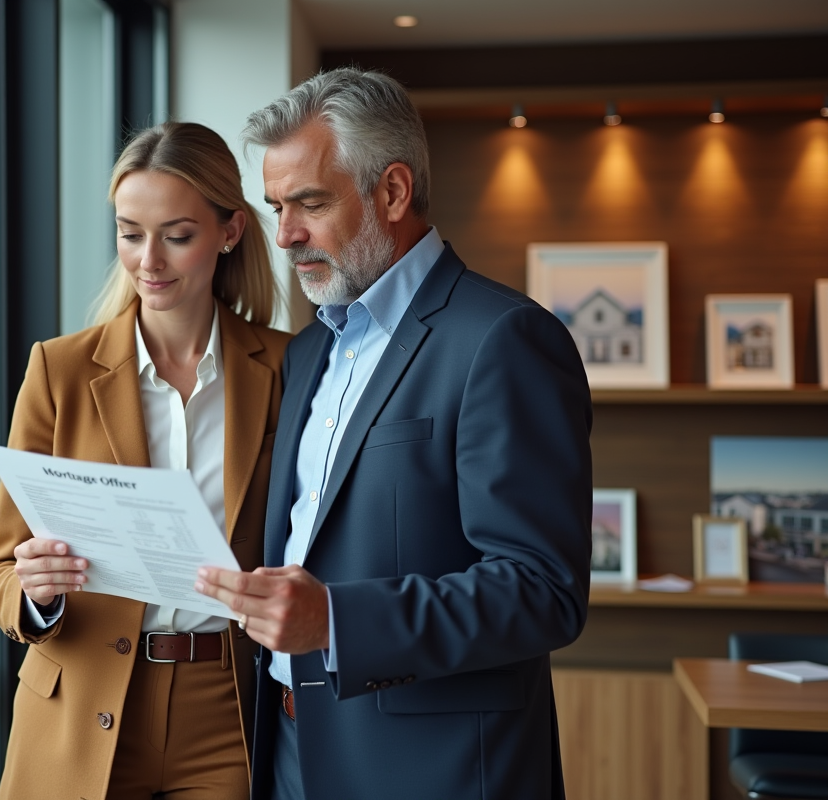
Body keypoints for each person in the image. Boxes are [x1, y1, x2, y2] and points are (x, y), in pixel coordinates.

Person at [194, 68, 593, 799]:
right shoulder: (308, 350)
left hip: (429, 770)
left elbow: (543, 590)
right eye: (277, 206)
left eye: (309, 203)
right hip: (286, 750)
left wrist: (338, 620)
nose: (284, 235)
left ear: (394, 191)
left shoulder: (503, 340)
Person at [0, 121, 291, 800]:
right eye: (129, 233)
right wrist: (36, 593)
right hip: (77, 703)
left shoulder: (289, 367)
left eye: (177, 235)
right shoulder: (58, 371)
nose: (149, 259)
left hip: (226, 709)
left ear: (230, 231)